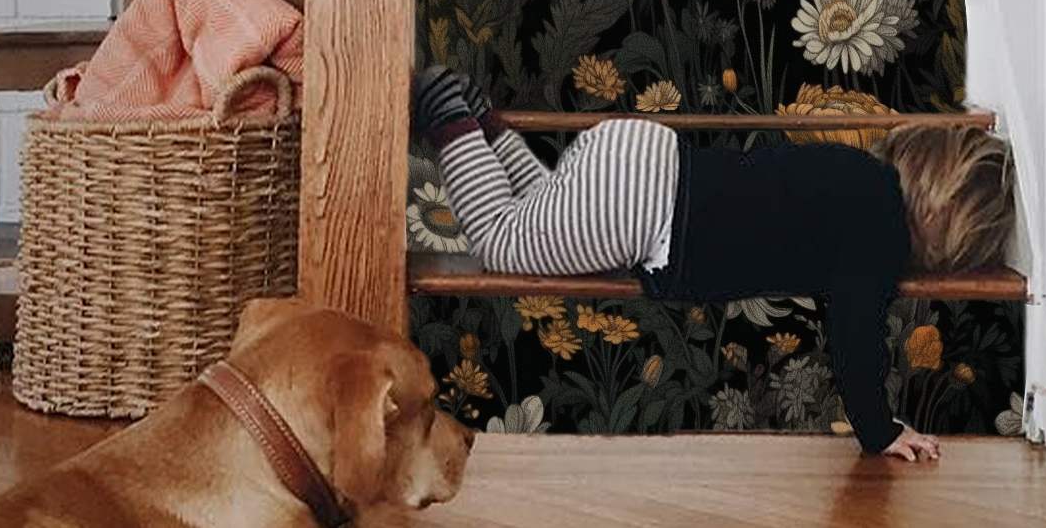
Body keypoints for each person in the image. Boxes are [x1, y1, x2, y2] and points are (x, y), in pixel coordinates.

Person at [414, 67, 1014, 461]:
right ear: (946, 228)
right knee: (503, 240)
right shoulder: (877, 238)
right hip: (641, 210)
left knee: (538, 208)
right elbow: (856, 338)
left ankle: (480, 118)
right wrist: (880, 431)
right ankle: (449, 111)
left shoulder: (857, 169)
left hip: (643, 150)